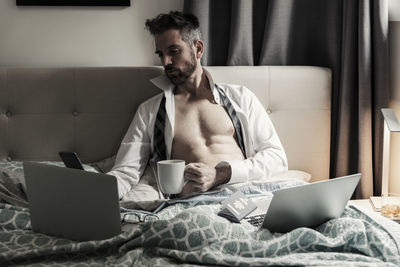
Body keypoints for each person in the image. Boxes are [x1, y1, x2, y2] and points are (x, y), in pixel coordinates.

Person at [108, 11, 288, 200]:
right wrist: (92, 195)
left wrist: (221, 175)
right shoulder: (150, 111)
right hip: (193, 205)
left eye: (174, 51)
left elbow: (276, 158)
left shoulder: (241, 98)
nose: (165, 62)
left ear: (198, 49)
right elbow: (126, 172)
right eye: (160, 54)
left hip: (245, 196)